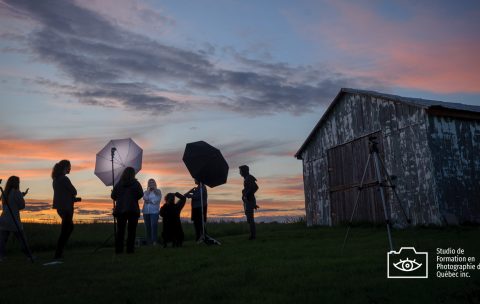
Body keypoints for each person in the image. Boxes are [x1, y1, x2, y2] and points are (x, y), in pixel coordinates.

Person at [52, 160, 81, 260]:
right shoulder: (64, 179)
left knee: (69, 227)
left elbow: (63, 194)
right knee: (65, 231)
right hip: (66, 208)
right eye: (69, 167)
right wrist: (72, 196)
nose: (70, 168)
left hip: (60, 207)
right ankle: (58, 254)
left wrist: (71, 197)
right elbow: (74, 191)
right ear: (65, 167)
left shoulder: (55, 179)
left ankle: (60, 251)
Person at [111, 167, 143, 254]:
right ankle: (130, 250)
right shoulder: (136, 184)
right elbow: (140, 195)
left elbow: (113, 196)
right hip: (133, 210)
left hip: (120, 211)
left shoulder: (118, 184)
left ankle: (119, 250)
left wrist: (114, 192)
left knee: (120, 231)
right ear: (133, 174)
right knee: (132, 231)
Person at [0, 176, 30, 261]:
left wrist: (22, 194)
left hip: (3, 219)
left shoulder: (4, 192)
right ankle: (28, 256)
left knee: (2, 240)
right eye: (18, 182)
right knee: (22, 239)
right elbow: (21, 205)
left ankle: (1, 257)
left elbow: (10, 199)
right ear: (16, 183)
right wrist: (21, 196)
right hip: (13, 220)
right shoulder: (16, 192)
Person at [239, 165, 259, 240]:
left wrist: (246, 195)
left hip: (249, 200)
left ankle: (253, 236)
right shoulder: (247, 178)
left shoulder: (248, 178)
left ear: (244, 171)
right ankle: (252, 235)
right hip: (249, 201)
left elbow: (254, 188)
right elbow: (253, 188)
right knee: (249, 219)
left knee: (250, 219)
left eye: (240, 171)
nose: (239, 173)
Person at [142, 179, 162, 245]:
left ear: (155, 183)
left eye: (152, 182)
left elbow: (157, 200)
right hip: (146, 211)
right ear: (148, 184)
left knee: (154, 226)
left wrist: (150, 201)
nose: (151, 183)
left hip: (154, 212)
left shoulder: (158, 191)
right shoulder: (146, 192)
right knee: (147, 226)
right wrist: (148, 192)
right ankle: (149, 241)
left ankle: (154, 241)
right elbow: (145, 198)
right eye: (150, 182)